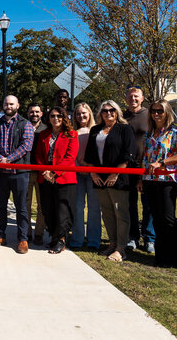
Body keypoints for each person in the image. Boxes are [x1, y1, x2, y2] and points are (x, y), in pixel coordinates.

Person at [84, 100, 135, 262]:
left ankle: (121, 248)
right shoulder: (95, 130)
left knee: (120, 213)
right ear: (100, 114)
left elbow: (129, 152)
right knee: (107, 212)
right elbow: (90, 154)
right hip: (99, 178)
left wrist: (115, 173)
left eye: (112, 110)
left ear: (117, 111)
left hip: (119, 178)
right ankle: (112, 244)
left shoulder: (125, 129)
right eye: (104, 111)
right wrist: (93, 174)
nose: (108, 113)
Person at [139, 99, 177, 268]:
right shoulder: (150, 133)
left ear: (167, 112)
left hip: (167, 181)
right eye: (153, 111)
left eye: (160, 111)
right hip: (149, 180)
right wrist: (140, 178)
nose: (156, 114)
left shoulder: (175, 133)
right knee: (157, 218)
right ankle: (162, 256)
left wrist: (162, 163)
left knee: (168, 218)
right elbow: (145, 157)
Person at [0, 95, 34, 253]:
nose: (8, 106)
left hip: (19, 172)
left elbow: (26, 145)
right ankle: (0, 235)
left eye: (11, 103)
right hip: (1, 172)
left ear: (18, 105)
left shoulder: (25, 124)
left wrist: (9, 159)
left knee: (21, 207)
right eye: (6, 103)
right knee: (0, 206)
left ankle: (22, 239)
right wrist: (1, 159)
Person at [34, 107, 79, 254]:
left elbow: (70, 157)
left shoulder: (72, 135)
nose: (56, 118)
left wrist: (54, 172)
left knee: (62, 210)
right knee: (48, 209)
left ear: (64, 117)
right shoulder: (43, 134)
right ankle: (53, 236)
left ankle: (61, 239)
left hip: (64, 178)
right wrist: (45, 172)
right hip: (46, 178)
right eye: (52, 116)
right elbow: (39, 156)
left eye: (59, 116)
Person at [124, 86, 154, 252]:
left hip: (146, 167)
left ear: (142, 98)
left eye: (136, 96)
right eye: (130, 96)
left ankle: (150, 239)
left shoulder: (150, 115)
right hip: (127, 168)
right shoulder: (122, 116)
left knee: (148, 205)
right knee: (130, 205)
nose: (133, 99)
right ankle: (133, 237)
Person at [71, 103, 101, 250]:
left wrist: (91, 168)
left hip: (93, 174)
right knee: (77, 207)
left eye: (84, 113)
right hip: (77, 174)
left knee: (94, 208)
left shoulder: (96, 131)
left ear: (89, 113)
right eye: (78, 113)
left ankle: (94, 241)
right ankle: (77, 239)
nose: (81, 116)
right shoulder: (72, 132)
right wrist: (79, 165)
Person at [25, 103, 48, 244]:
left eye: (37, 112)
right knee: (25, 204)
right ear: (27, 113)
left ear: (41, 113)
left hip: (41, 171)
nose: (34, 114)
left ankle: (39, 233)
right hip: (26, 171)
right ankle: (26, 233)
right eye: (32, 111)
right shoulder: (23, 127)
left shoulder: (46, 128)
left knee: (42, 204)